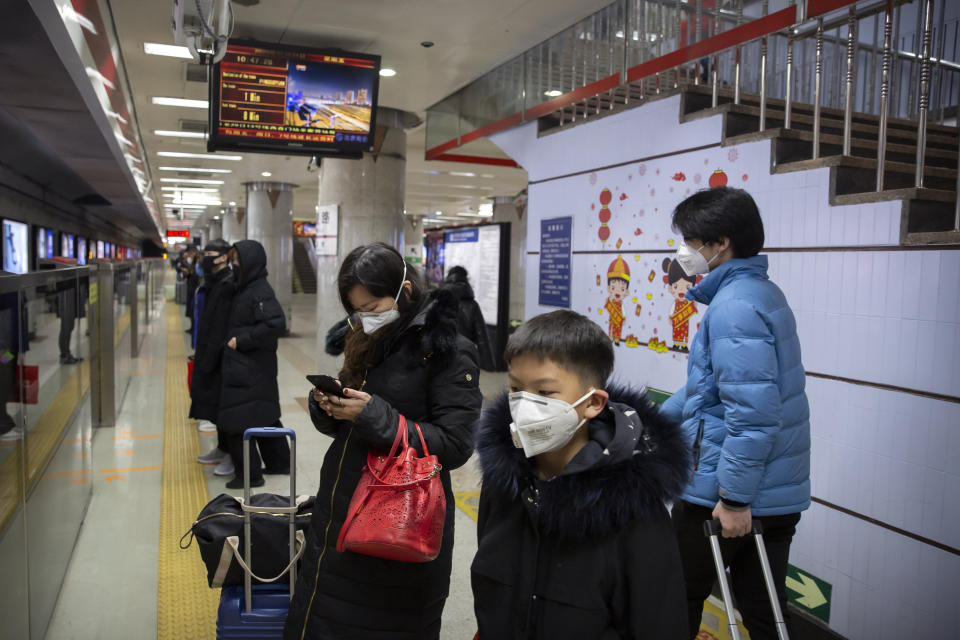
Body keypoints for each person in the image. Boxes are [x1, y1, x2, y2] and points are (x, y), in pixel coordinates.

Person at [284, 243, 482, 640]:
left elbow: (457, 444)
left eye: (373, 308)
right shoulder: (367, 337)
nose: (364, 319)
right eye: (356, 311)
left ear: (405, 291)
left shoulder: (446, 350)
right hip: (341, 509)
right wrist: (330, 406)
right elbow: (354, 422)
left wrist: (375, 416)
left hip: (397, 525)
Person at [471, 309, 690, 638]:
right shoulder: (505, 483)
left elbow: (658, 622)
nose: (525, 407)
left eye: (545, 393)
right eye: (516, 390)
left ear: (594, 403)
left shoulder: (633, 509)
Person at [659, 187, 810, 640]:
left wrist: (736, 498)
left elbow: (753, 414)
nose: (684, 250)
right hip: (770, 485)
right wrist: (653, 420)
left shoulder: (733, 308)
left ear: (719, 243)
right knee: (765, 612)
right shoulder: (758, 293)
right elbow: (711, 390)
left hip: (724, 491)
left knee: (675, 593)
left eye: (690, 239)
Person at [217, 240, 290, 489]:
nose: (234, 265)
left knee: (237, 421)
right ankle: (280, 462)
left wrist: (241, 340)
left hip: (249, 364)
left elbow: (276, 324)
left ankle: (249, 475)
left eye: (237, 260)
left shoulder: (259, 290)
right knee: (264, 414)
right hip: (249, 365)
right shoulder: (246, 288)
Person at [190, 239, 235, 474]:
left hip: (220, 354)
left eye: (211, 253)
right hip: (207, 349)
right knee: (212, 404)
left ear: (224, 257)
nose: (206, 257)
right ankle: (221, 447)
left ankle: (230, 453)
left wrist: (214, 353)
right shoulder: (213, 281)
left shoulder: (228, 283)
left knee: (223, 406)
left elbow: (223, 325)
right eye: (205, 253)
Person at [443, 266, 496, 370]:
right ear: (465, 280)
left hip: (442, 354)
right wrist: (489, 365)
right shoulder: (472, 305)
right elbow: (482, 337)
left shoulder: (438, 301)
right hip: (465, 355)